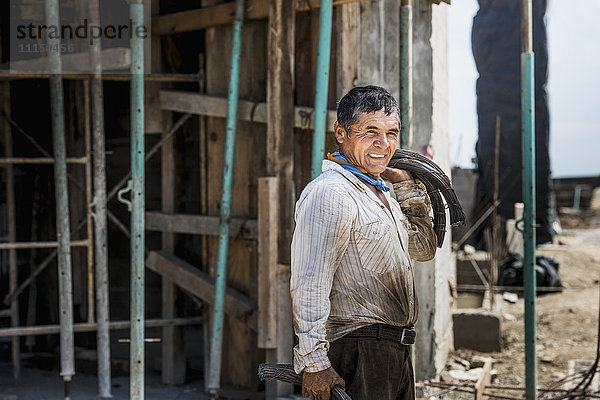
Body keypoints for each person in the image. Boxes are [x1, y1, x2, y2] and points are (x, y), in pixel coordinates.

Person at [290, 85, 437, 400]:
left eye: (391, 133)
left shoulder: (380, 193)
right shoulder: (331, 193)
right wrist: (314, 362)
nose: (383, 144)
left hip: (394, 350)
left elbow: (424, 249)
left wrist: (406, 185)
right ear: (341, 133)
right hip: (358, 350)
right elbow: (309, 282)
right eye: (370, 131)